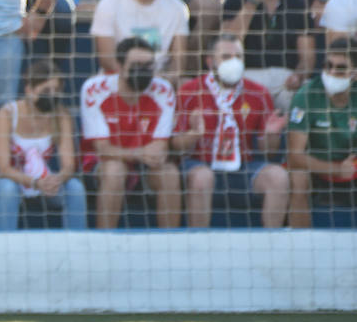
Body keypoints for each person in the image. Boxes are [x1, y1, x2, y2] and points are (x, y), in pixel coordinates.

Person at [173, 34, 287, 228]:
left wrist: (271, 135)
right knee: (202, 177)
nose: (233, 62)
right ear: (210, 61)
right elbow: (175, 147)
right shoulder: (189, 91)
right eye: (226, 57)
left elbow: (268, 152)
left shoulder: (258, 93)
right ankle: (197, 247)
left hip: (243, 168)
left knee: (278, 176)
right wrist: (193, 135)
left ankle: (271, 247)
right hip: (199, 164)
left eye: (238, 57)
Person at [80, 37, 181, 229]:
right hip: (102, 163)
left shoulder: (163, 90)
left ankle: (171, 245)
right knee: (115, 169)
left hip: (145, 164)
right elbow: (102, 148)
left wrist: (148, 155)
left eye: (148, 66)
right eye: (136, 65)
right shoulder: (94, 89)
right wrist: (140, 153)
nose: (143, 71)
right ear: (118, 66)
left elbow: (160, 146)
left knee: (170, 172)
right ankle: (105, 243)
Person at [222, 0, 315, 114]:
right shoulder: (235, 1)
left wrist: (299, 75)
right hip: (246, 78)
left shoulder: (298, 3)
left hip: (285, 80)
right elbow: (228, 42)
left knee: (303, 102)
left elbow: (307, 57)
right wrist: (253, 0)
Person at [0, 60, 88, 230]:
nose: (52, 96)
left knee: (75, 187)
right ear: (29, 90)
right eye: (46, 91)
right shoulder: (7, 113)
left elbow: (68, 165)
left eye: (56, 91)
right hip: (11, 179)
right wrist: (35, 183)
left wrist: (55, 180)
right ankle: (2, 245)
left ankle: (78, 245)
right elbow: (3, 169)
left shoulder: (61, 115)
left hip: (45, 180)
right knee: (7, 189)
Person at [286, 38, 357, 228]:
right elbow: (294, 157)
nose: (332, 72)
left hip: (352, 167)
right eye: (328, 65)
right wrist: (336, 169)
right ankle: (301, 246)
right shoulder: (306, 95)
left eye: (340, 68)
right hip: (316, 169)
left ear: (354, 73)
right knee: (298, 178)